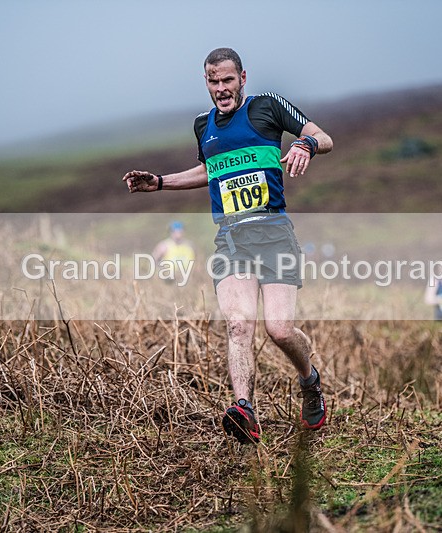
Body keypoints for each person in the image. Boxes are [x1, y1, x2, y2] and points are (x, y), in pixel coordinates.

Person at [122, 47, 333, 444]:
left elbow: (324, 138)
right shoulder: (204, 125)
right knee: (239, 325)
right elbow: (208, 169)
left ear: (242, 78)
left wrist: (305, 146)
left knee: (279, 329)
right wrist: (161, 182)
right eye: (213, 82)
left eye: (228, 80)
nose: (221, 89)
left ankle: (310, 381)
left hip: (273, 234)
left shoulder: (266, 108)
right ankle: (245, 410)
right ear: (206, 83)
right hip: (231, 238)